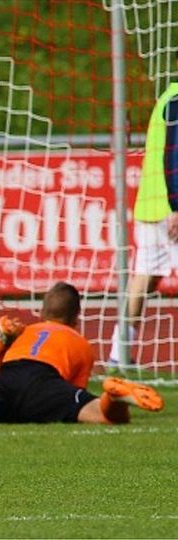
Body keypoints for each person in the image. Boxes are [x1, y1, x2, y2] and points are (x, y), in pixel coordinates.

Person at [0, 282, 164, 425]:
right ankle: (113, 397)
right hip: (45, 382)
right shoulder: (80, 343)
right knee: (100, 414)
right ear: (75, 318)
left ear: (41, 312)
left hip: (5, 378)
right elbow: (75, 390)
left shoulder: (26, 331)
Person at [108, 75, 178, 370]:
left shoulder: (168, 95)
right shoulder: (176, 100)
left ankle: (118, 352)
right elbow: (174, 154)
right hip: (169, 206)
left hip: (150, 204)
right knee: (143, 278)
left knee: (144, 277)